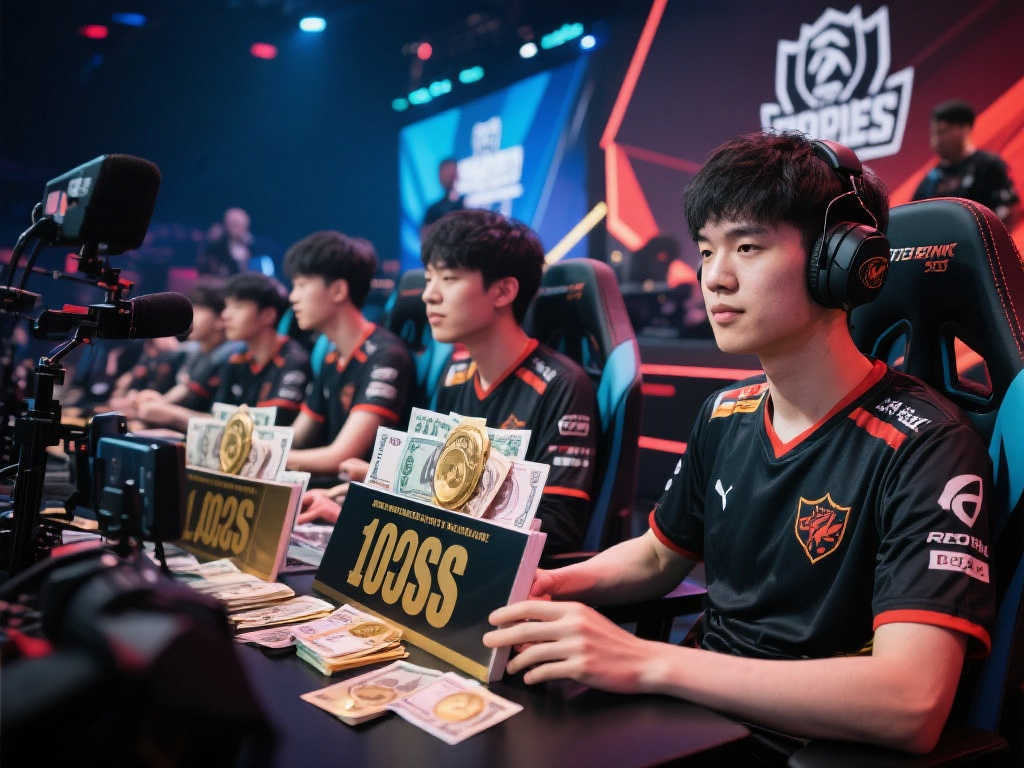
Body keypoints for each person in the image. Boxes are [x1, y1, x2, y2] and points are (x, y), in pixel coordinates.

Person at [483, 132, 995, 756]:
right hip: (697, 714)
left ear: (837, 263)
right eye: (706, 250)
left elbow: (910, 702)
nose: (714, 278)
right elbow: (657, 557)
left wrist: (646, 662)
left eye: (747, 247)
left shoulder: (928, 445)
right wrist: (547, 584)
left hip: (803, 744)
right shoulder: (725, 413)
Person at [301, 210, 600, 556]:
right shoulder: (455, 373)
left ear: (503, 291)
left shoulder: (562, 386)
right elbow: (435, 487)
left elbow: (557, 529)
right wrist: (367, 493)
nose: (429, 295)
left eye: (449, 278)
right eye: (429, 279)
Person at [283, 231, 414, 476]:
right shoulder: (331, 357)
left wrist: (265, 454)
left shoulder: (386, 356)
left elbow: (342, 456)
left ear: (338, 290)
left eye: (301, 285)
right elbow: (296, 436)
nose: (292, 297)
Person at [138, 272, 309, 429]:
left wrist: (172, 414)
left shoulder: (292, 360)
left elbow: (270, 429)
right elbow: (217, 416)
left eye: (238, 307)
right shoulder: (236, 359)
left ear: (268, 315)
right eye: (227, 306)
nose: (226, 315)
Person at [131, 278, 241, 422]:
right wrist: (157, 401)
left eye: (197, 310)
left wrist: (166, 411)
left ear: (221, 319)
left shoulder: (231, 355)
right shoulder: (196, 352)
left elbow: (224, 421)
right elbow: (186, 388)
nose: (189, 317)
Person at [913, 99, 1019, 225]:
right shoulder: (930, 180)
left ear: (965, 129)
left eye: (942, 132)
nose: (936, 141)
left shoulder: (989, 166)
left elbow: (1008, 211)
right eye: (933, 133)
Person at [198, 207, 253, 276]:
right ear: (226, 225)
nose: (240, 229)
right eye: (235, 225)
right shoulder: (214, 248)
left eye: (243, 225)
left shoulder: (251, 246)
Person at [421, 158, 465, 232]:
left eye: (453, 174)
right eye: (446, 174)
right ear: (439, 176)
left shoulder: (469, 203)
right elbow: (425, 235)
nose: (450, 178)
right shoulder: (433, 210)